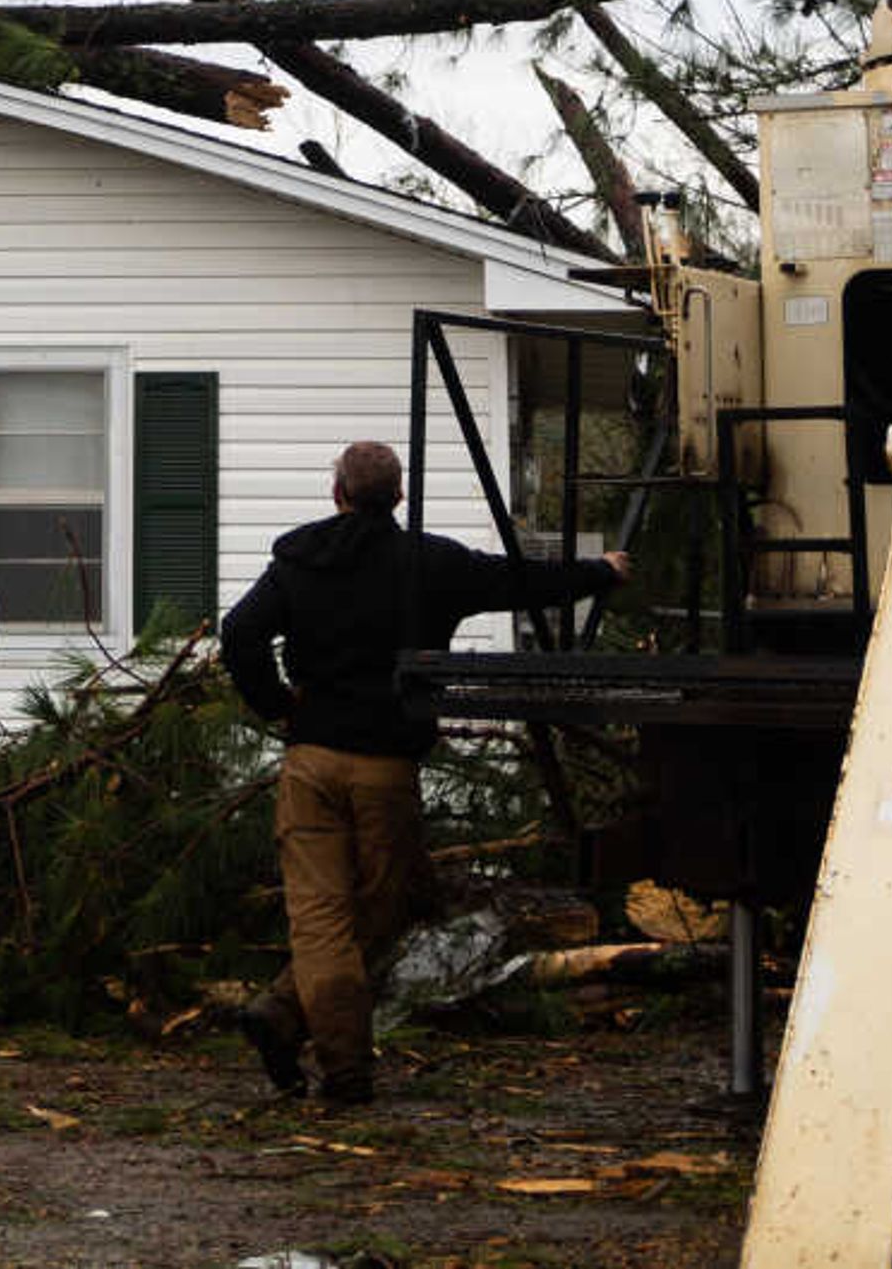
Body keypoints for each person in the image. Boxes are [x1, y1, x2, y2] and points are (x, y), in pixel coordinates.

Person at [218, 438, 629, 1105]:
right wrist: (600, 570)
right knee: (383, 904)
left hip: (311, 761)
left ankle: (285, 1010)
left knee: (323, 914)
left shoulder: (299, 561)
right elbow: (520, 580)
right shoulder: (430, 564)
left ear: (337, 493)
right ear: (399, 496)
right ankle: (345, 1070)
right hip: (386, 767)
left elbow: (239, 634)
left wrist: (277, 706)